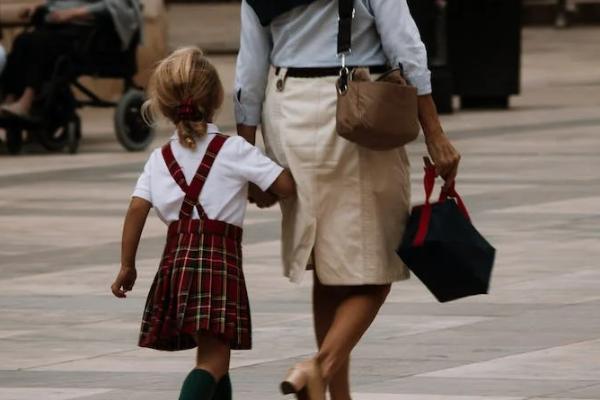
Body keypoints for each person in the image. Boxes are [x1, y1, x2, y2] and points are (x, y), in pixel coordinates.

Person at [234, 0, 461, 399]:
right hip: (357, 110)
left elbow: (249, 70)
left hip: (288, 114)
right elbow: (405, 48)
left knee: (330, 267)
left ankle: (337, 395)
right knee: (381, 264)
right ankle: (317, 368)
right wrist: (435, 134)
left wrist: (248, 159)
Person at [110, 47, 296, 400]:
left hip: (176, 265)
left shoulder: (159, 158)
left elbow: (137, 209)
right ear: (215, 99)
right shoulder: (234, 149)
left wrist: (127, 266)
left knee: (213, 352)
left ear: (164, 106)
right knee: (213, 358)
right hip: (217, 264)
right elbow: (285, 187)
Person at [0, 0, 142, 118]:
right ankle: (10, 98)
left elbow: (119, 6)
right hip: (58, 27)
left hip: (85, 35)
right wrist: (40, 7)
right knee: (22, 41)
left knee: (39, 44)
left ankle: (26, 101)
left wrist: (73, 13)